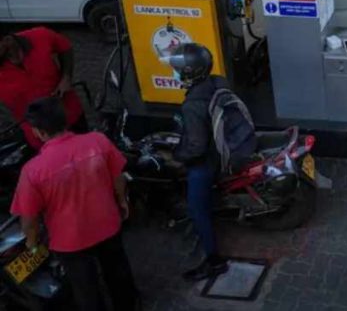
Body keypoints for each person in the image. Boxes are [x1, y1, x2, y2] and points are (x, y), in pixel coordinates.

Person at [11, 97, 137, 311]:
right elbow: (119, 177)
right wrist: (122, 201)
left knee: (86, 290)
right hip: (107, 224)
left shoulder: (33, 171)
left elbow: (29, 219)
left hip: (70, 241)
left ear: (38, 132)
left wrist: (32, 245)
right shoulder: (98, 141)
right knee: (119, 275)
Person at [168, 43, 230, 281]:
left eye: (179, 69)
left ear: (189, 73)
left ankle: (214, 261)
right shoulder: (217, 81)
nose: (175, 72)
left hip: (207, 161)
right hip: (222, 144)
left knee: (197, 210)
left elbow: (196, 147)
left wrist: (178, 157)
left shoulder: (192, 105)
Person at [0, 27, 86, 150]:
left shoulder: (41, 35)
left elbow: (65, 47)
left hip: (70, 115)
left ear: (7, 40)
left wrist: (66, 77)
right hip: (38, 133)